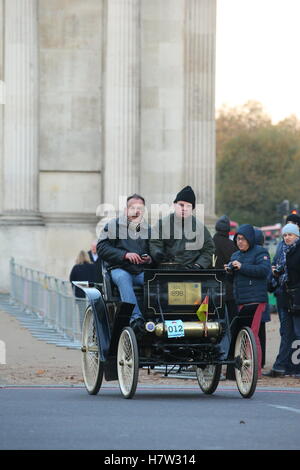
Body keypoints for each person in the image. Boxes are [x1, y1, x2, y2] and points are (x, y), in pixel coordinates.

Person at [97, 194, 152, 334]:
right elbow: (101, 248)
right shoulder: (113, 226)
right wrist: (125, 255)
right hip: (119, 268)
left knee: (154, 281)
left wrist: (150, 258)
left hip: (140, 270)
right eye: (133, 207)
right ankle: (136, 319)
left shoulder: (149, 229)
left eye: (140, 208)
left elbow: (156, 251)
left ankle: (155, 318)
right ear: (126, 209)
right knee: (123, 278)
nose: (136, 211)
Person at [225, 224, 271, 377]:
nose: (240, 242)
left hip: (256, 300)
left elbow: (264, 271)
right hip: (241, 301)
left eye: (243, 239)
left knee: (253, 335)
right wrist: (229, 271)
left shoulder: (261, 252)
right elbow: (232, 280)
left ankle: (255, 371)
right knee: (243, 335)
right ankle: (244, 367)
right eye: (238, 239)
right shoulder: (235, 255)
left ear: (250, 240)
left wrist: (242, 267)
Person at [264, 223, 300, 377]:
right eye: (285, 235)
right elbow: (276, 267)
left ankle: (296, 367)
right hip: (284, 295)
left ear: (297, 236)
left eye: (290, 235)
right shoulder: (281, 249)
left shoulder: (297, 250)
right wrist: (275, 273)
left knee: (298, 332)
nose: (287, 237)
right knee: (286, 332)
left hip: (297, 296)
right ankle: (282, 366)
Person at [149, 186, 214, 269]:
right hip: (167, 270)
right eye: (181, 205)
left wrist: (199, 265)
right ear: (174, 205)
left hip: (191, 271)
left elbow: (209, 248)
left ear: (192, 208)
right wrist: (157, 253)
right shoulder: (162, 224)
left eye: (188, 206)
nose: (184, 209)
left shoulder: (199, 227)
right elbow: (155, 243)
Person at [213, 215, 237, 320]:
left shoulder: (209, 244)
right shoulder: (232, 245)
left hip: (212, 286)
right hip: (229, 287)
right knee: (231, 318)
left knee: (216, 317)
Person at [254, 228, 271, 368]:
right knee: (261, 331)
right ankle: (262, 360)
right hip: (262, 296)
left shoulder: (255, 253)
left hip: (254, 296)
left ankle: (258, 360)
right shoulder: (263, 252)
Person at [69, 250, 97, 326]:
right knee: (92, 314)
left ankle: (83, 331)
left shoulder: (76, 267)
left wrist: (74, 290)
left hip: (79, 295)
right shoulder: (93, 267)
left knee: (82, 315)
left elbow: (71, 279)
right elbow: (96, 279)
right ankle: (92, 330)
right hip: (91, 294)